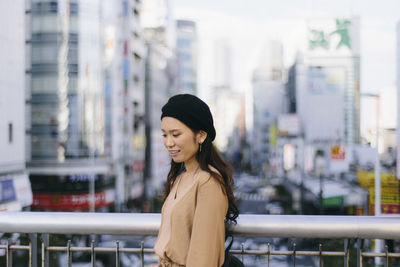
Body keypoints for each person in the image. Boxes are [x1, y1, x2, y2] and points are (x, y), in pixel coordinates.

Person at [154, 94, 239, 267]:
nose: (168, 143)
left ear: (200, 135)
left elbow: (203, 258)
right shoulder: (179, 177)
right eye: (165, 135)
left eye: (176, 134)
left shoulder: (208, 183)